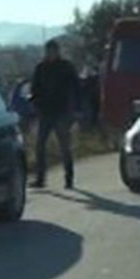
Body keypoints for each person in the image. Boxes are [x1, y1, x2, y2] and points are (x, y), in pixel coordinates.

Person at [30, 39, 81, 189]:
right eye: (48, 51)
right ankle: (40, 179)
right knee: (40, 145)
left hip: (62, 111)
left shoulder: (66, 67)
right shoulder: (41, 68)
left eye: (53, 51)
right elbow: (34, 88)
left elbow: (76, 87)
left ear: (58, 52)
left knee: (64, 146)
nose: (50, 54)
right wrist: (35, 103)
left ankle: (69, 178)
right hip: (45, 111)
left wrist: (76, 109)